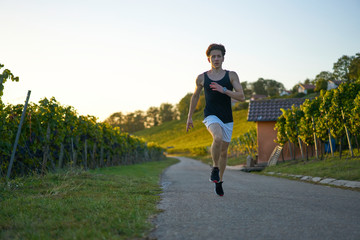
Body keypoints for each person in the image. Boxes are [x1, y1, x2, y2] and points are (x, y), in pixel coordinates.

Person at [186, 43, 245, 196]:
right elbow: (195, 97)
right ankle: (215, 168)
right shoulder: (202, 78)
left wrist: (224, 90)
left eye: (219, 56)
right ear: (208, 59)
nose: (216, 59)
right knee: (217, 137)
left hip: (227, 118)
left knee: (224, 153)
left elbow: (242, 97)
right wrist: (189, 117)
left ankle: (219, 180)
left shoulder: (231, 75)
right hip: (211, 115)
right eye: (213, 56)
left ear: (223, 58)